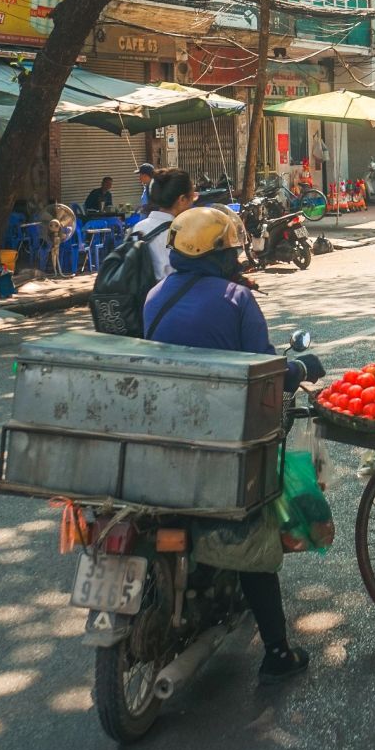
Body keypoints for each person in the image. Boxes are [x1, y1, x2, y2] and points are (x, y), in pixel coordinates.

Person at [143, 205, 325, 683]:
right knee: (251, 532)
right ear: (223, 253)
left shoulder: (154, 295)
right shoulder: (236, 300)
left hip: (163, 440)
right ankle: (278, 651)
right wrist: (302, 368)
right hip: (221, 441)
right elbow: (266, 372)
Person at [135, 168, 197, 282]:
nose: (193, 202)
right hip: (164, 296)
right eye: (193, 197)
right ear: (182, 199)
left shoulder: (137, 228)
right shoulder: (176, 234)